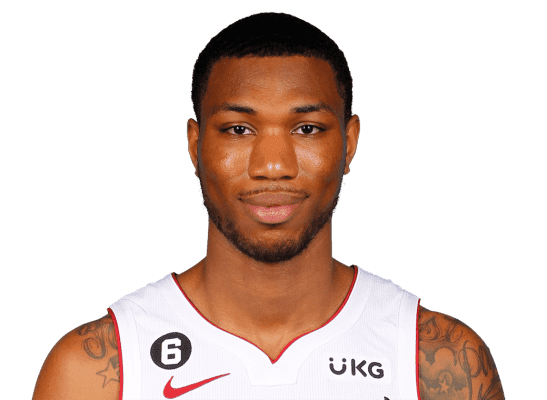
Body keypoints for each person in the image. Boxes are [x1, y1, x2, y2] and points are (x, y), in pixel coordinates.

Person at [32, 12, 505, 400]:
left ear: (350, 143)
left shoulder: (439, 364)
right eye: (239, 129)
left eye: (307, 129)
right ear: (196, 146)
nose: (274, 166)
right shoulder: (98, 371)